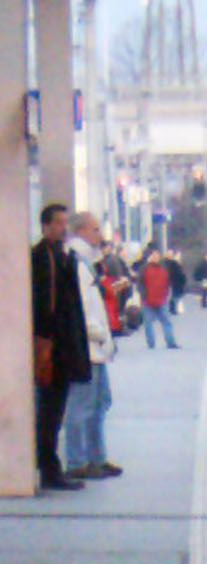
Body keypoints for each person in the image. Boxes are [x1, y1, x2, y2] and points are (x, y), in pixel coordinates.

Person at [30, 201, 91, 492]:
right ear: (46, 226)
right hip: (53, 347)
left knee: (53, 409)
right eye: (59, 223)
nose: (64, 228)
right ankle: (48, 468)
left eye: (65, 223)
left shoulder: (57, 256)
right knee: (50, 410)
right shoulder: (44, 258)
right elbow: (47, 306)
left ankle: (49, 466)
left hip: (59, 345)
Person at [62, 210, 121, 481]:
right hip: (87, 348)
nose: (101, 235)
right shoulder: (76, 264)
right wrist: (99, 334)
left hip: (97, 349)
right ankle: (77, 461)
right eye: (96, 230)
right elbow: (82, 309)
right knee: (81, 406)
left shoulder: (87, 263)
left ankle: (96, 458)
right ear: (82, 232)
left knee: (99, 404)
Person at [140, 250, 180, 349]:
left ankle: (152, 344)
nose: (155, 258)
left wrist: (143, 295)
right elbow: (169, 282)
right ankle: (170, 343)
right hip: (158, 300)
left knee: (149, 323)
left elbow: (140, 283)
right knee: (166, 322)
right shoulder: (165, 268)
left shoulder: (145, 268)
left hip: (152, 300)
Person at [166, 249, 188, 315]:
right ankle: (173, 309)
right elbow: (179, 273)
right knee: (175, 296)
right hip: (174, 283)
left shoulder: (176, 264)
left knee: (175, 296)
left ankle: (172, 308)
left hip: (176, 283)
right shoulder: (174, 264)